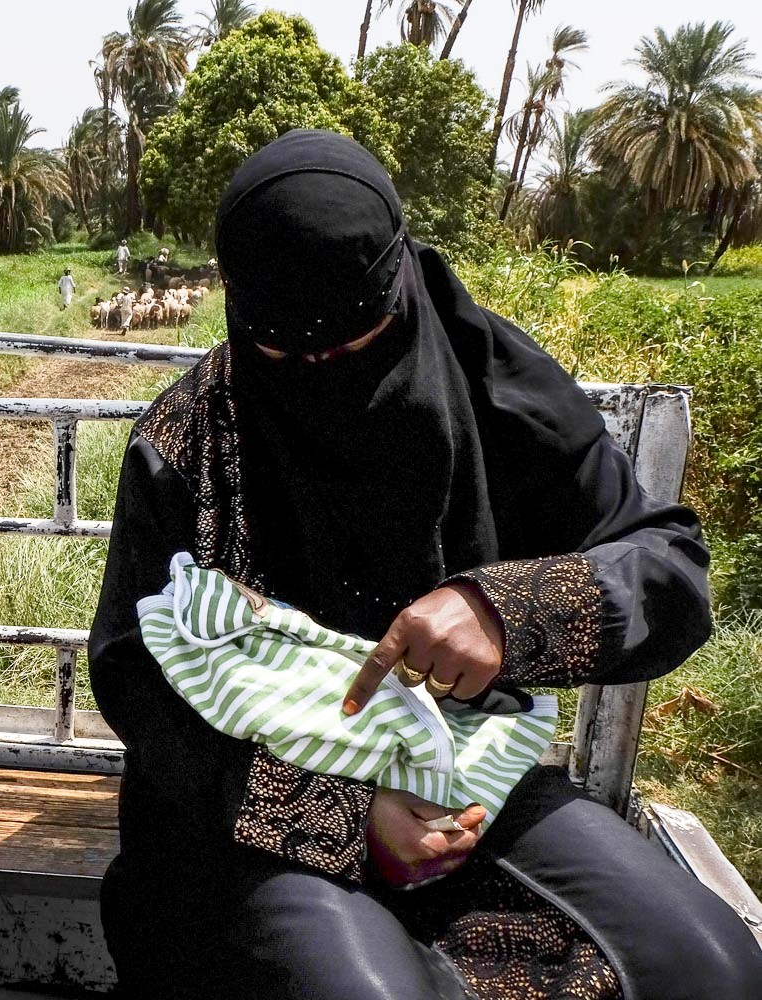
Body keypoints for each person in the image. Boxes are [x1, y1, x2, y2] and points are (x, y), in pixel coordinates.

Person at [89, 130, 762, 999]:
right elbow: (134, 680)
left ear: (398, 283)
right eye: (288, 357)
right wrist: (344, 814)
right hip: (251, 802)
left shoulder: (498, 390)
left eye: (356, 345)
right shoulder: (186, 442)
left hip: (471, 768)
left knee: (707, 966)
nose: (324, 376)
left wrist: (506, 612)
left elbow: (671, 567)